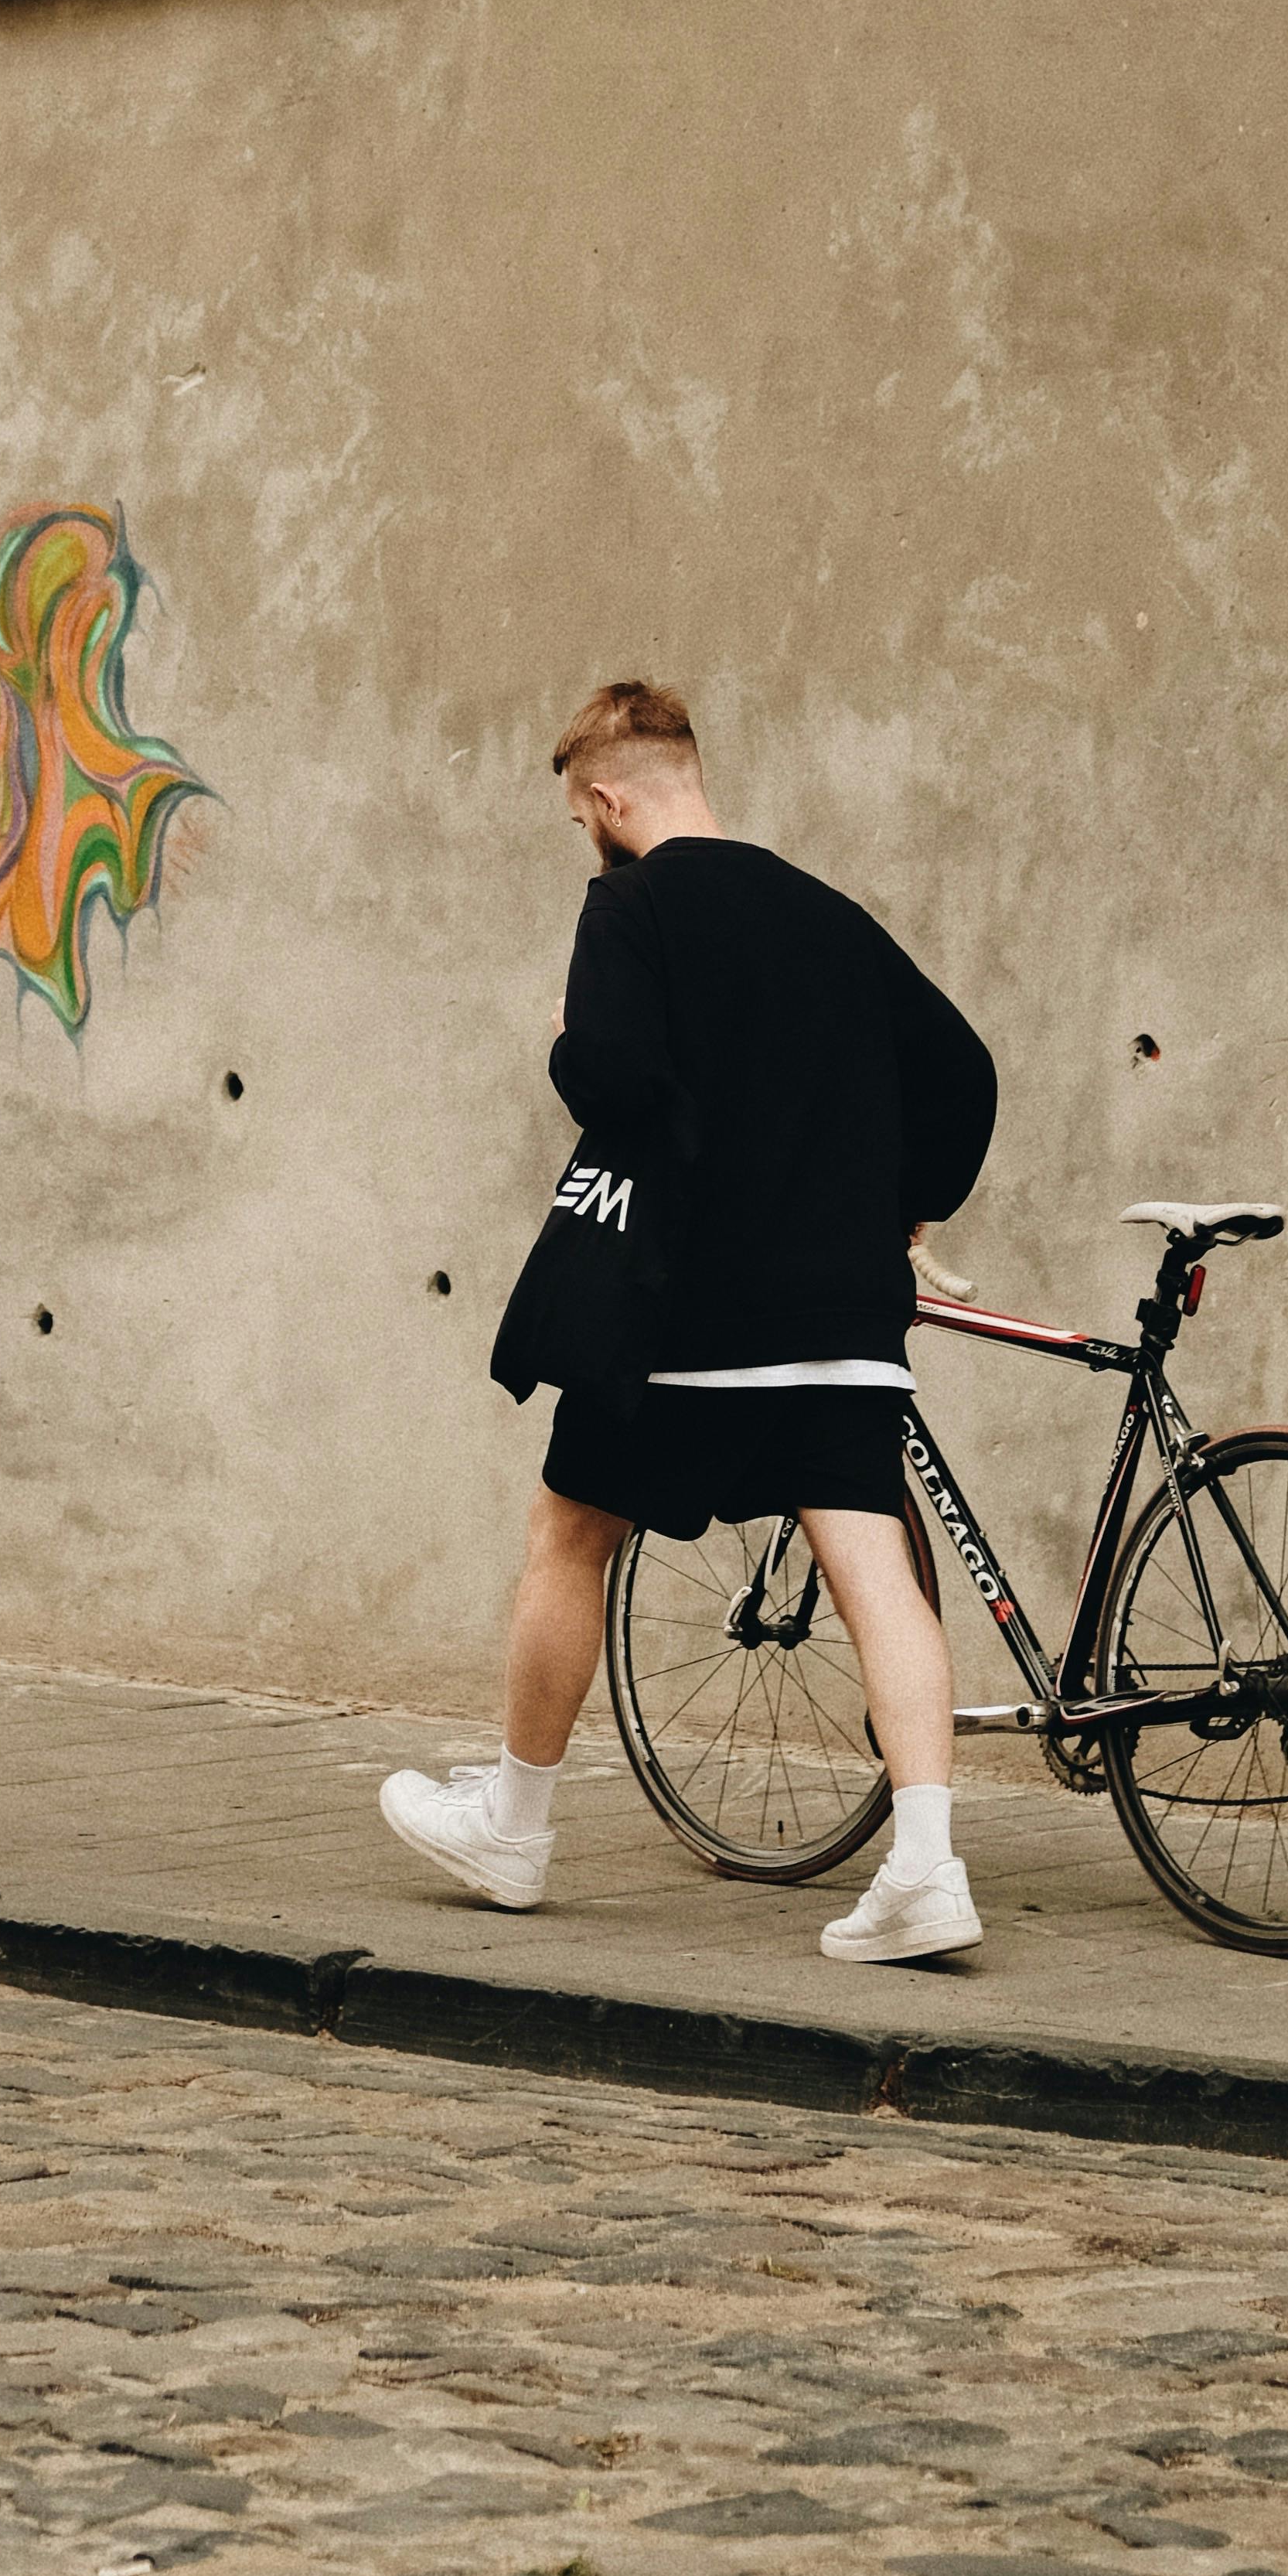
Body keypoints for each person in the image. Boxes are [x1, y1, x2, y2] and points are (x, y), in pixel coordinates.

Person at [380, 677, 997, 1964]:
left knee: (567, 1530)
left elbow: (613, 1075)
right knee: (873, 1566)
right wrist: (908, 1210)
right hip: (839, 1309)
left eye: (577, 815)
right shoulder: (828, 916)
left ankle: (515, 1826)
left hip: (687, 1312)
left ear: (608, 798)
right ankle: (927, 1868)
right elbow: (961, 1069)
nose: (584, 836)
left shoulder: (630, 904)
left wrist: (565, 1044)